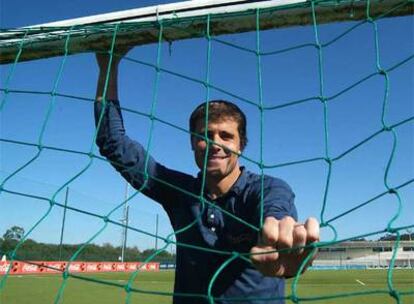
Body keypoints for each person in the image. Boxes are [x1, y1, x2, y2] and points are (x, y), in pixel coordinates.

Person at [94, 49, 319, 304]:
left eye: (226, 135)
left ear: (241, 145)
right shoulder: (180, 193)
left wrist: (280, 236)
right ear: (192, 143)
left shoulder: (266, 189)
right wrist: (108, 67)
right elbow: (113, 143)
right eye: (205, 135)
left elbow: (275, 210)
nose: (215, 144)